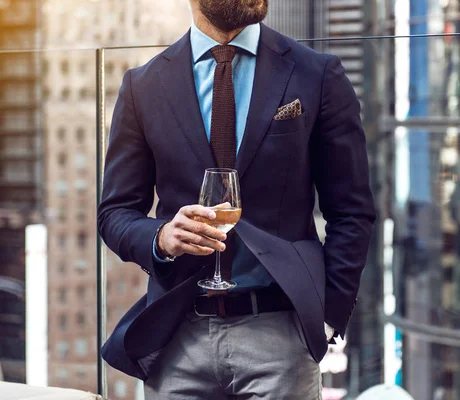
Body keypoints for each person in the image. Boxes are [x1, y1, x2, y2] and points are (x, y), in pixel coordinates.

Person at [97, 0, 375, 398]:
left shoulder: (317, 74)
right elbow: (115, 213)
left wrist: (327, 317)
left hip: (281, 337)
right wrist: (161, 237)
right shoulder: (143, 85)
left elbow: (352, 210)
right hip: (177, 338)